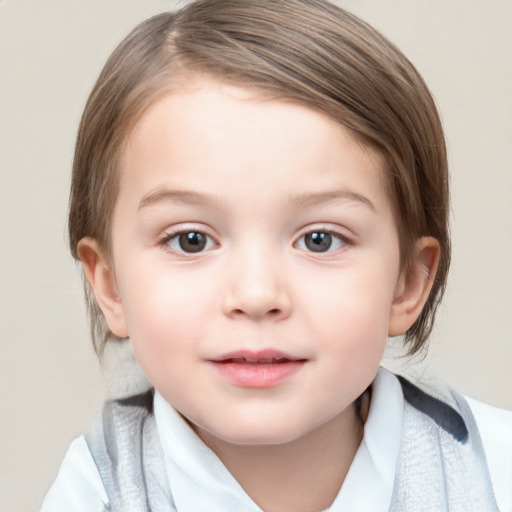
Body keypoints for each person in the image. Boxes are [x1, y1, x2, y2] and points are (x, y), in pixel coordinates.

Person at [41, 0, 512, 510]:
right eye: (191, 239)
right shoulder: (97, 488)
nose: (257, 294)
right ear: (109, 286)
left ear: (407, 283)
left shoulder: (494, 470)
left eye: (320, 239)